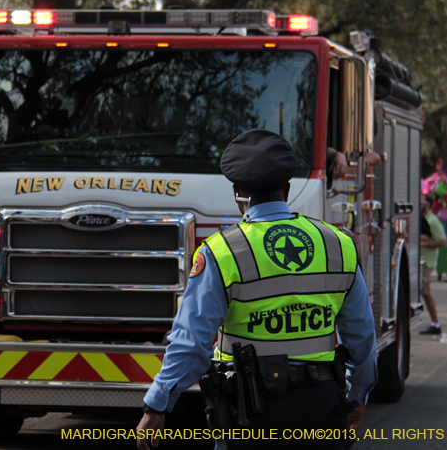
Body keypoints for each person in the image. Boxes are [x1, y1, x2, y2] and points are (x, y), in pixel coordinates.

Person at [136, 130, 377, 450]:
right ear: (288, 189)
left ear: (237, 192)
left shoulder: (221, 252)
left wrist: (158, 404)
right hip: (322, 408)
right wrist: (357, 395)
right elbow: (362, 337)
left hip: (251, 413)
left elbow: (192, 343)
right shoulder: (338, 245)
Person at [419, 196, 447, 335]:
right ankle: (435, 324)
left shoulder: (433, 221)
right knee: (426, 293)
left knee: (415, 291)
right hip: (420, 260)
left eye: (422, 202)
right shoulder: (421, 219)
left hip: (426, 262)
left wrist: (424, 244)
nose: (419, 203)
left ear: (427, 205)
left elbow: (442, 241)